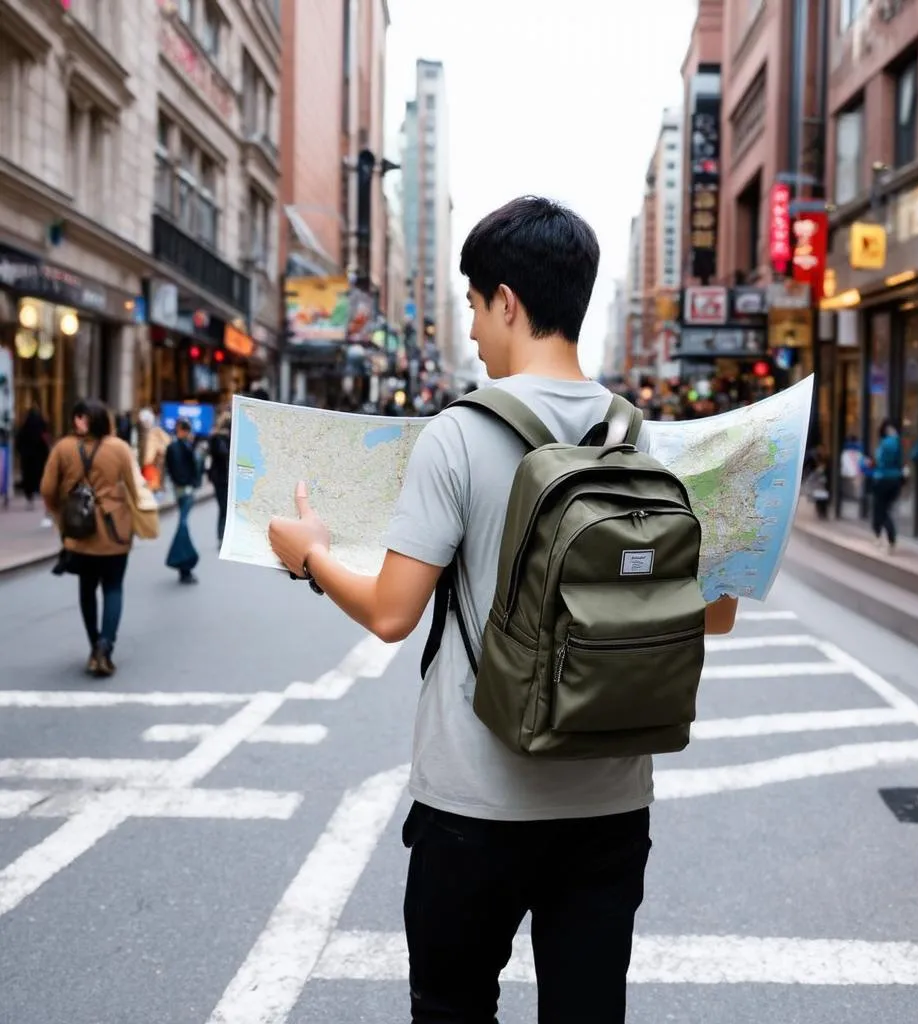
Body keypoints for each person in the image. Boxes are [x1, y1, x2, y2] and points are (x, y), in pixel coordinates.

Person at [268, 196, 739, 1023]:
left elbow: (391, 614)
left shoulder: (458, 435)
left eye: (476, 307)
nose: (477, 329)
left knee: (453, 1009)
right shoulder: (643, 440)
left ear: (509, 301)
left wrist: (308, 552)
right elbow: (713, 615)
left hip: (475, 804)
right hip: (610, 804)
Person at [40, 399, 139, 677]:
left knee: (87, 590)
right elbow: (134, 486)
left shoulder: (63, 448)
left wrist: (61, 512)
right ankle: (105, 647)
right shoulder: (119, 448)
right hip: (114, 531)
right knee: (113, 587)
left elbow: (47, 488)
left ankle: (94, 644)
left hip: (79, 530)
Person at [164, 418, 201, 584]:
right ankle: (183, 562)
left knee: (183, 523)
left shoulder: (175, 447)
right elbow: (193, 468)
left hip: (181, 490)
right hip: (185, 490)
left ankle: (183, 564)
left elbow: (170, 470)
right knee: (183, 524)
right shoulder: (183, 447)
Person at [870, 418, 905, 553]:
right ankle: (885, 538)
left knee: (880, 510)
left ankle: (886, 537)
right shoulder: (898, 443)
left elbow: (879, 460)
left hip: (882, 479)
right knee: (885, 510)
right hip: (895, 480)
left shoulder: (885, 443)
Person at [15, 405, 50, 510]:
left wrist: (21, 452)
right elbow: (45, 441)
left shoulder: (24, 428)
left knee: (28, 475)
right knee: (38, 474)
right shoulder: (41, 427)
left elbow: (19, 442)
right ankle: (37, 490)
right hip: (38, 457)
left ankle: (29, 493)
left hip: (27, 457)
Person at [208, 410, 232, 543]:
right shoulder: (218, 438)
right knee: (223, 507)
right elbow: (222, 454)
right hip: (221, 478)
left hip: (224, 477)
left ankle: (223, 534)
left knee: (225, 507)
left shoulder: (221, 438)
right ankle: (221, 534)